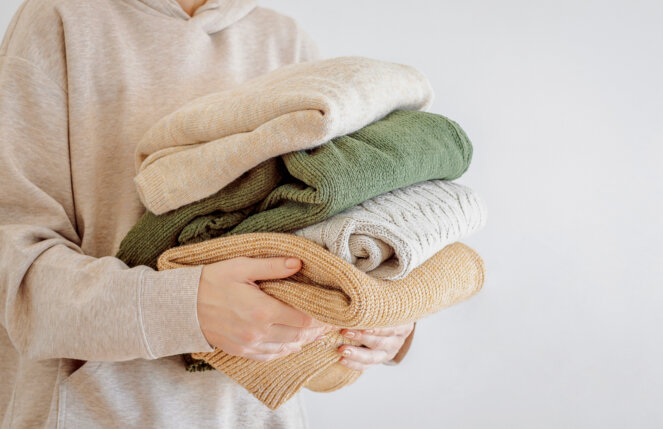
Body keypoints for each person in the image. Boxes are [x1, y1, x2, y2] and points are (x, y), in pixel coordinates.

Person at [0, 0, 415, 427]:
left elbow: (332, 226)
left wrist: (386, 312)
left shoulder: (285, 39)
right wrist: (184, 308)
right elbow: (14, 272)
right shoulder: (62, 20)